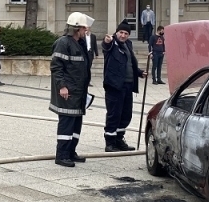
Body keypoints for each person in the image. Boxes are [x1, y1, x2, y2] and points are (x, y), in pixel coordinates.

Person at [49, 12, 93, 167]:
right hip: (68, 91)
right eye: (84, 28)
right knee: (66, 123)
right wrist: (62, 86)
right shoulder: (63, 43)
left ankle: (71, 152)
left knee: (76, 125)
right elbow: (56, 67)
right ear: (77, 28)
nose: (86, 31)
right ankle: (61, 155)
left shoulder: (80, 43)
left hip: (78, 92)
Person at [102, 21, 147, 152]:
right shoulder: (112, 43)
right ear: (116, 32)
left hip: (127, 85)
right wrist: (107, 41)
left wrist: (139, 72)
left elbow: (130, 63)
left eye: (126, 33)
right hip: (114, 85)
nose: (123, 35)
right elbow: (105, 46)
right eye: (121, 32)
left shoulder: (128, 44)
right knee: (114, 114)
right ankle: (110, 143)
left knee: (126, 114)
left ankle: (119, 140)